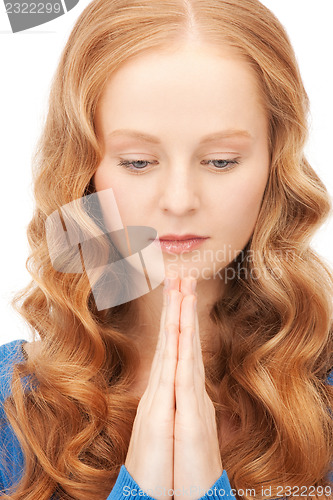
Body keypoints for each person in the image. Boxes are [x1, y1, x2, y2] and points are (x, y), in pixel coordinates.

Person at [0, 0, 332, 499]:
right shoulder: (11, 402)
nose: (179, 201)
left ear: (274, 165)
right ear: (85, 172)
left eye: (220, 161)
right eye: (137, 162)